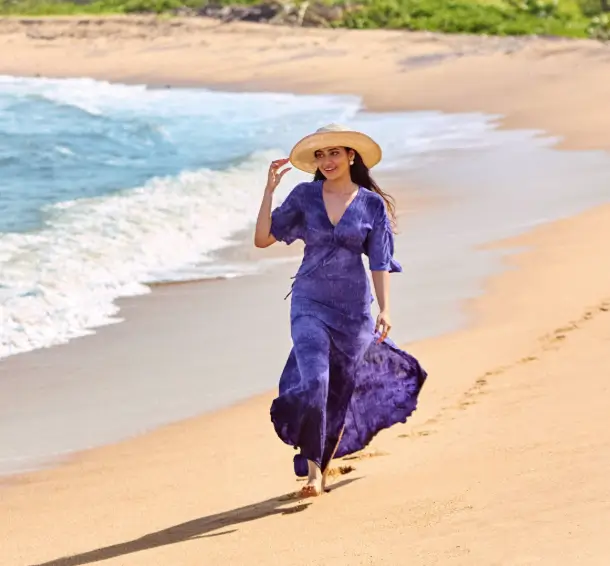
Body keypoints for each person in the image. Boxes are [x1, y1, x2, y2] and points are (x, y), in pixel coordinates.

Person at [254, 123, 427, 498]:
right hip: (308, 304)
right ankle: (314, 473)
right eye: (320, 154)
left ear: (351, 156)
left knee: (339, 393)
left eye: (335, 152)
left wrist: (385, 309)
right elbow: (263, 238)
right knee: (315, 381)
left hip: (353, 313)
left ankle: (322, 467)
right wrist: (268, 192)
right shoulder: (304, 196)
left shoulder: (371, 204)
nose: (327, 160)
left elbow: (380, 260)